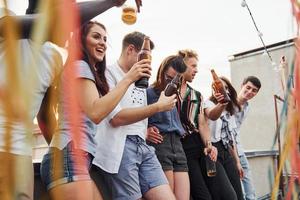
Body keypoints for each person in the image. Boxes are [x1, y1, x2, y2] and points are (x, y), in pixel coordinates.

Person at [0, 0, 137, 199]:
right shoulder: (7, 26)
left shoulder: (54, 56)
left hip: (21, 153)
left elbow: (45, 116)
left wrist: (58, 152)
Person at [91, 31, 177, 200]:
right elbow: (116, 118)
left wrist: (144, 129)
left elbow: (137, 113)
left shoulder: (140, 81)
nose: (147, 63)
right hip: (121, 148)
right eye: (145, 57)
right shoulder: (107, 74)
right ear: (130, 49)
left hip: (143, 146)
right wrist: (158, 107)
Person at [147, 55, 190, 200]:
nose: (171, 83)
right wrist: (145, 130)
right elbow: (137, 119)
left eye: (176, 80)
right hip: (160, 144)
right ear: (161, 71)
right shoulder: (148, 92)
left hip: (178, 145)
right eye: (168, 77)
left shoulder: (175, 94)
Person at [203, 76, 244, 200]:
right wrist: (220, 105)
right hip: (212, 151)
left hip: (226, 151)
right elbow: (211, 115)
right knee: (228, 196)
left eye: (226, 88)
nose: (223, 91)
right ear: (214, 89)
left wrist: (237, 162)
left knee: (239, 194)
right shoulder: (207, 104)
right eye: (219, 88)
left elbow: (230, 139)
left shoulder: (229, 110)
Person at [234, 76, 261, 200]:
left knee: (249, 186)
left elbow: (237, 130)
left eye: (254, 90)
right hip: (228, 149)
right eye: (248, 87)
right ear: (242, 86)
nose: (250, 92)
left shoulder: (247, 107)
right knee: (239, 189)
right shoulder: (229, 102)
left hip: (239, 149)